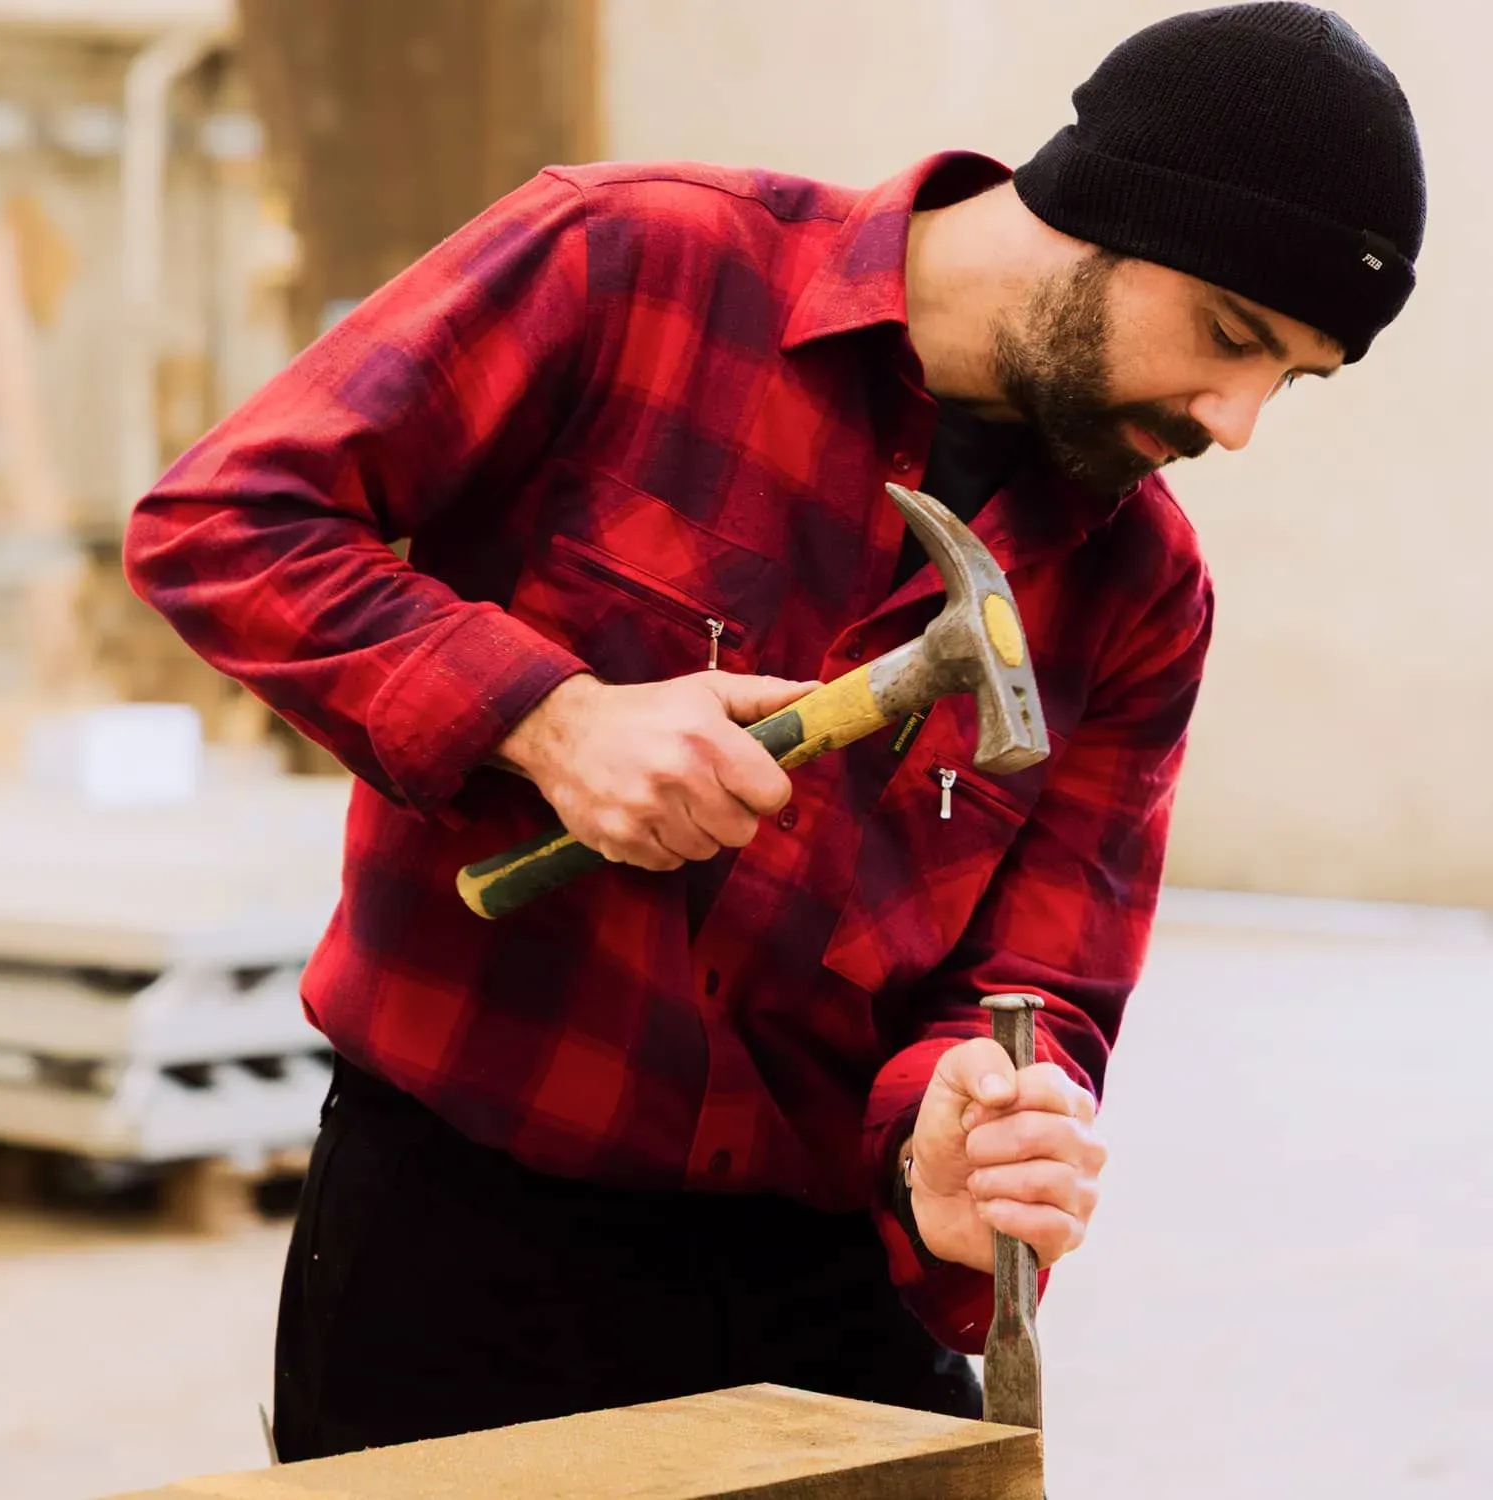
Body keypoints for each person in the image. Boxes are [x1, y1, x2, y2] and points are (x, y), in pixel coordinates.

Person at [125, 3, 1424, 1460]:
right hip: (463, 1237)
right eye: (1232, 336)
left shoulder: (1143, 593)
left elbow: (1041, 981)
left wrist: (960, 1125)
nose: (1238, 420)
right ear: (1095, 213)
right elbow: (226, 525)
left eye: (1293, 379)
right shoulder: (634, 265)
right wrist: (547, 720)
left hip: (834, 1283)